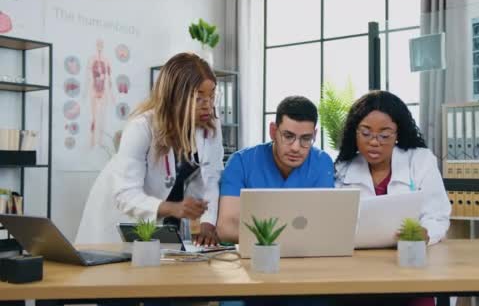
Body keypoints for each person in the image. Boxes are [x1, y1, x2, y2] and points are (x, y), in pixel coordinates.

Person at [76, 52, 223, 247]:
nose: (208, 106)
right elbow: (125, 195)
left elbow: (210, 177)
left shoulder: (209, 126)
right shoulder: (141, 127)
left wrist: (207, 223)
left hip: (163, 219)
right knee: (112, 270)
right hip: (117, 215)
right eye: (198, 98)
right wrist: (172, 208)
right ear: (175, 97)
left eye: (212, 96)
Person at [334, 91, 450, 306]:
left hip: (410, 267)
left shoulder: (420, 160)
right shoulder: (342, 169)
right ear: (354, 132)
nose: (374, 142)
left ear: (398, 133)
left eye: (384, 135)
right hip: (358, 272)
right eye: (366, 133)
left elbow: (438, 215)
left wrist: (426, 234)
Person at [216, 96, 334, 243]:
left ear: (314, 135)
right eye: (288, 136)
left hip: (305, 257)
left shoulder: (322, 163)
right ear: (273, 131)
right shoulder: (240, 163)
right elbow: (226, 228)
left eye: (306, 138)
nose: (296, 147)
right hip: (251, 258)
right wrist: (280, 243)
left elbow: (324, 226)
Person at [87, 38, 115, 148]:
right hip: (94, 89)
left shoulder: (106, 60)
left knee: (102, 116)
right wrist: (86, 92)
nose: (100, 46)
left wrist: (112, 94)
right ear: (96, 45)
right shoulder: (91, 59)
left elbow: (110, 78)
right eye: (98, 44)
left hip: (103, 90)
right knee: (93, 117)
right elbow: (88, 76)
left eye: (101, 44)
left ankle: (101, 141)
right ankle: (93, 141)